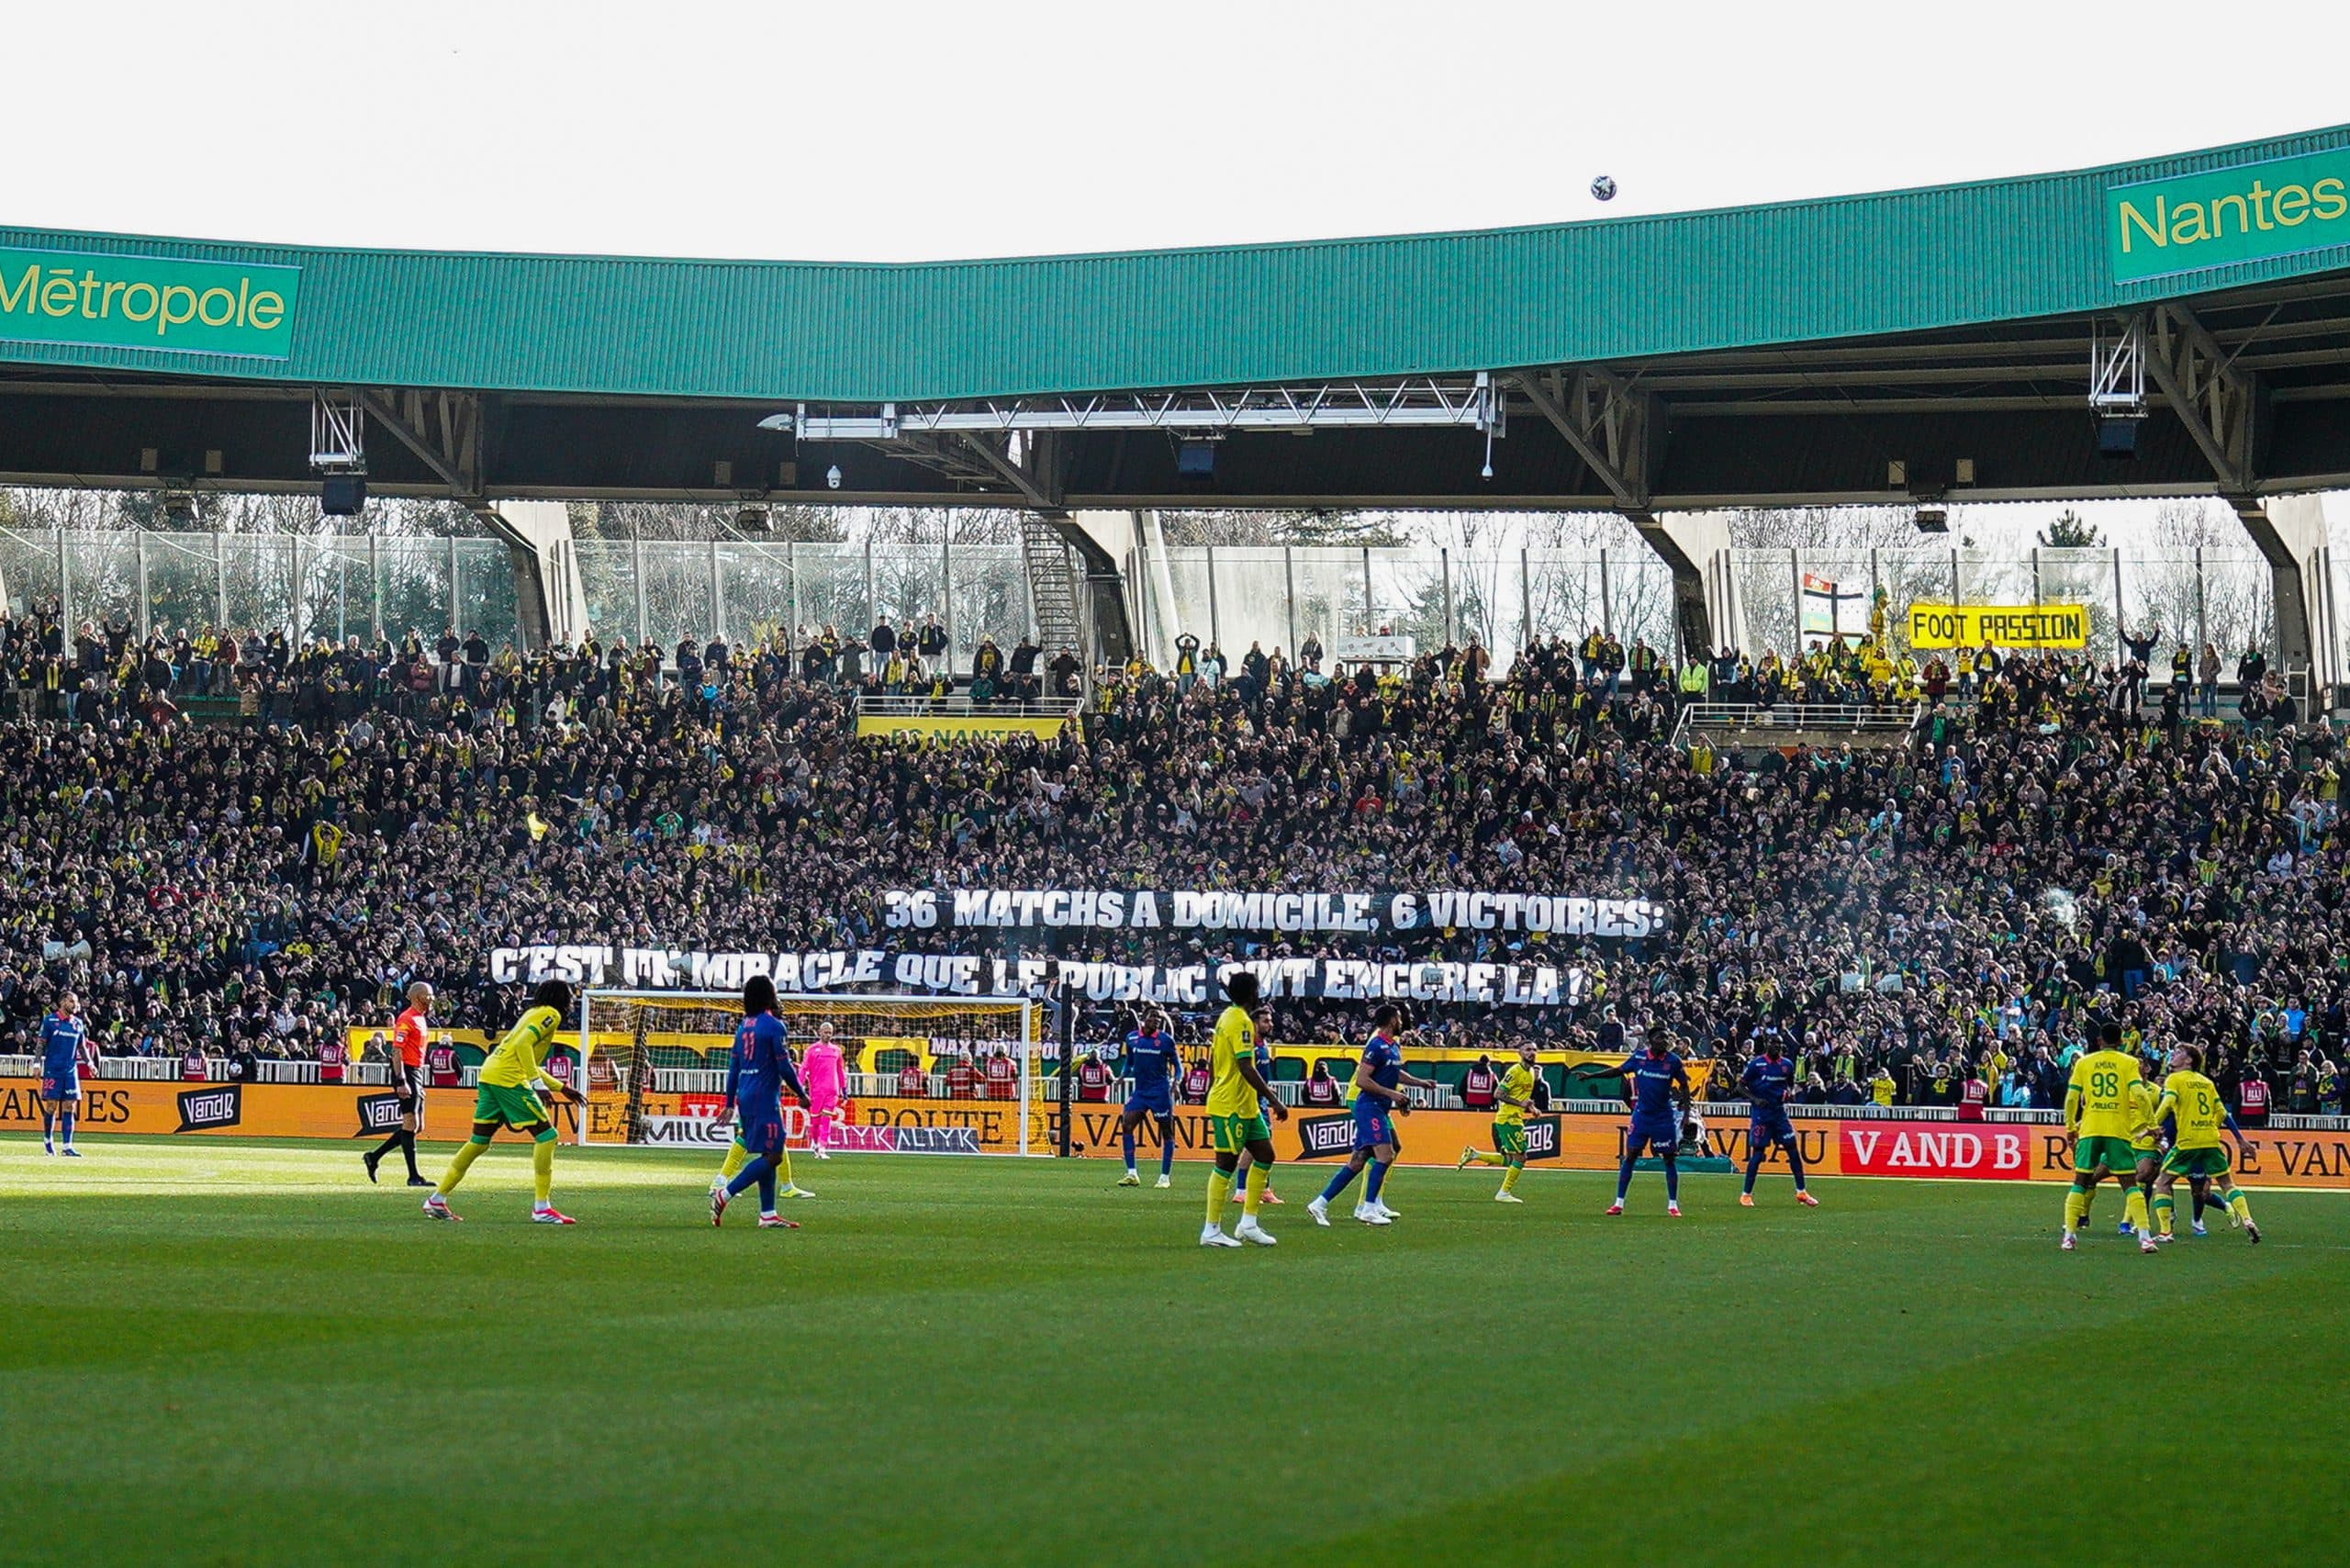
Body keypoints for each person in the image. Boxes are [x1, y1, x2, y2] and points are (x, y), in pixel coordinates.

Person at [424, 980, 581, 1224]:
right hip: (508, 1080)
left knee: (478, 1142)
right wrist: (536, 1085)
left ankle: (437, 1198)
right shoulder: (551, 1014)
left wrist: (562, 1087)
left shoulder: (532, 1012)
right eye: (570, 997)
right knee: (547, 1136)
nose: (572, 1002)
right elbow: (522, 1046)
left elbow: (521, 1053)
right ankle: (542, 1207)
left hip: (490, 1074)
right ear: (561, 999)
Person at [1306, 1003, 1431, 1227]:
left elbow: (1394, 1072)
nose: (1402, 1021)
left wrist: (1419, 1083)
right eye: (1400, 1018)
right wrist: (1392, 1094)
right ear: (1393, 1020)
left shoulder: (1392, 1046)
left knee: (1358, 1161)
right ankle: (1369, 1207)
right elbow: (1363, 1080)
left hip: (1378, 1107)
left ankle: (1320, 1203)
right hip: (1369, 1106)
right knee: (1386, 1155)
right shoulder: (1376, 1044)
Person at [711, 976, 812, 1230]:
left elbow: (733, 1066)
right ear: (768, 995)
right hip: (765, 1097)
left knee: (768, 1152)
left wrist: (729, 1102)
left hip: (746, 1096)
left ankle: (768, 1214)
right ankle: (725, 1193)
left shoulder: (744, 1025)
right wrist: (801, 1093)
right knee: (776, 1154)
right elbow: (784, 1066)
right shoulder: (774, 1026)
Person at [1198, 972, 1287, 1249]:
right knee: (1225, 1164)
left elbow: (1214, 1061)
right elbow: (1246, 1066)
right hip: (1231, 1104)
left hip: (1244, 1105)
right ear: (1252, 993)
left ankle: (1248, 1223)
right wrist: (1274, 1099)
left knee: (1265, 1154)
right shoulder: (1239, 1022)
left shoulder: (1228, 1017)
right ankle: (1211, 1230)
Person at [2146, 1046, 2259, 1245]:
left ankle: (2166, 1232)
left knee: (2163, 1182)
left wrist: (2153, 1125)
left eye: (2179, 1052)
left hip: (2188, 1141)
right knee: (2227, 1183)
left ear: (2189, 1060)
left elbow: (2167, 1103)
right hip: (2210, 1140)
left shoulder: (2175, 1079)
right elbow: (2222, 1112)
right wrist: (2240, 1140)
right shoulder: (2207, 1082)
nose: (2173, 1054)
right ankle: (2248, 1219)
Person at [1574, 1029, 1693, 1217]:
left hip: (1663, 1117)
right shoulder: (1638, 1057)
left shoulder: (1673, 1061)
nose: (1665, 1041)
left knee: (1669, 1159)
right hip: (1642, 1116)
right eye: (1660, 1037)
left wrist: (1686, 1113)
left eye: (1667, 1038)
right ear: (1650, 1040)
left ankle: (1673, 1204)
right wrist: (1591, 1076)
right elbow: (1617, 1070)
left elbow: (1685, 1086)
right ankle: (1618, 1203)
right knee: (1631, 1156)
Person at [2059, 1022, 2149, 1252]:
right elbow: (2139, 1093)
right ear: (2121, 1041)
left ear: (2099, 1040)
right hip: (2117, 1130)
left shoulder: (2083, 1062)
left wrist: (2070, 1126)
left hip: (2090, 1128)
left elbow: (2071, 1098)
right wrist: (2153, 1124)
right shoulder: (2129, 1062)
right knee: (2129, 1183)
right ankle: (2145, 1237)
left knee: (2080, 1181)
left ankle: (2069, 1235)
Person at [1737, 1036, 1819, 1208]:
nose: (1776, 1047)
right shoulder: (1756, 1064)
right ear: (1767, 1045)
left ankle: (1801, 1192)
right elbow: (1740, 1087)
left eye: (1779, 1045)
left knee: (1793, 1150)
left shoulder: (1787, 1065)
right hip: (1761, 1115)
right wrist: (1755, 1099)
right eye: (1773, 1044)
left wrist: (1789, 1094)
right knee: (1758, 1154)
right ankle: (1746, 1194)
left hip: (1779, 1114)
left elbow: (1789, 1085)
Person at [364, 980, 433, 1187]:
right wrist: (402, 1080)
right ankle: (413, 1176)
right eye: (426, 995)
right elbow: (397, 1052)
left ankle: (374, 1157)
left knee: (418, 1126)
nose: (430, 999)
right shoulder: (406, 1019)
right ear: (416, 997)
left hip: (417, 1072)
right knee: (410, 1123)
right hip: (407, 1071)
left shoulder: (421, 1018)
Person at [1458, 1039, 1539, 1203]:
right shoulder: (1515, 1071)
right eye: (1527, 1050)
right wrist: (1521, 1104)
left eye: (1534, 1050)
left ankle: (1474, 1154)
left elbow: (1522, 1097)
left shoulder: (1530, 1072)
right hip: (1508, 1119)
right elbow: (1498, 1094)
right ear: (1520, 1053)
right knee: (1521, 1157)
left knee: (1511, 1158)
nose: (1531, 1053)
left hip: (1515, 1118)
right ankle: (1503, 1193)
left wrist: (1531, 1108)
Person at [1113, 1007, 1180, 1189]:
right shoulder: (1132, 1038)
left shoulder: (1166, 1041)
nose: (1156, 1020)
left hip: (1160, 1092)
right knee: (1127, 1124)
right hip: (1141, 1092)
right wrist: (1121, 1076)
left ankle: (1165, 1177)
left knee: (1166, 1132)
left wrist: (1176, 1082)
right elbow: (1129, 1062)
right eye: (1153, 1017)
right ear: (1143, 1019)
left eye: (1158, 1018)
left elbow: (1177, 1065)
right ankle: (1132, 1174)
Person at [1229, 1006, 1286, 1209]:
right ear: (1254, 1023)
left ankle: (1261, 1189)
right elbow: (1244, 1073)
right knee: (1255, 1148)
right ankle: (1243, 1191)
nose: (1270, 1024)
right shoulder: (1249, 1045)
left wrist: (1267, 1092)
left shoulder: (1263, 1045)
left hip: (1260, 1101)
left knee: (1262, 1147)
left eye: (1270, 1021)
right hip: (1248, 1102)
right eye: (1265, 1021)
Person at [38, 990, 86, 1158]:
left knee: (70, 1106)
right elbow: (41, 1044)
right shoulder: (50, 1020)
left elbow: (82, 1047)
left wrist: (91, 1063)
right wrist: (37, 1063)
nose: (75, 1005)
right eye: (72, 1001)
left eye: (76, 1001)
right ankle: (48, 1142)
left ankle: (67, 1146)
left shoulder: (78, 1024)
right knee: (51, 1105)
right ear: (63, 1002)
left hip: (70, 1071)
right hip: (53, 1069)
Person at [801, 1023, 845, 1160]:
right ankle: (815, 1143)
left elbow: (840, 1071)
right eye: (826, 1032)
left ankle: (822, 1148)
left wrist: (844, 1089)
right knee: (815, 1123)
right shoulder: (812, 1050)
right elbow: (804, 1069)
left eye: (830, 1032)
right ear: (820, 1032)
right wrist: (799, 1086)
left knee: (827, 1119)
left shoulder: (836, 1050)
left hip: (832, 1091)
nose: (828, 1035)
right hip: (816, 1091)